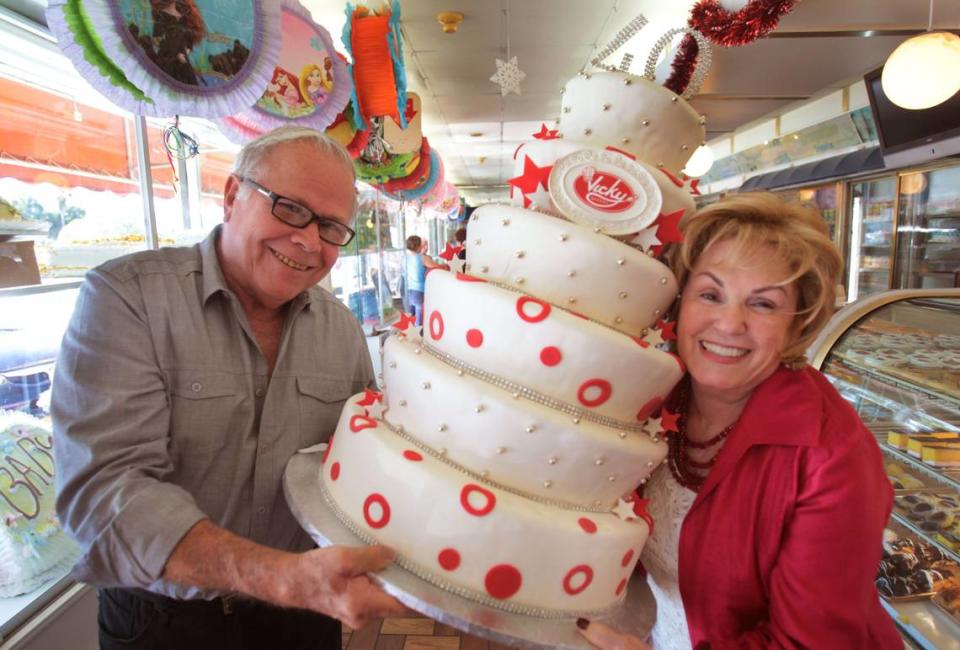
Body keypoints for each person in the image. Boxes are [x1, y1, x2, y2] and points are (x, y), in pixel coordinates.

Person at [52, 126, 406, 650]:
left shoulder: (342, 329)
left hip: (302, 615)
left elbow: (358, 460)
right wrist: (277, 575)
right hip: (163, 621)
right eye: (289, 208)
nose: (309, 241)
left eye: (332, 227)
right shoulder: (128, 299)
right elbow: (103, 493)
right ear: (233, 196)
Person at [578, 193, 900, 649]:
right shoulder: (652, 393)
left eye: (763, 304)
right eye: (710, 295)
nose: (729, 324)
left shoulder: (832, 456)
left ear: (797, 323)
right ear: (678, 304)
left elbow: (810, 643)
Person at [403, 235, 442, 326]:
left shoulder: (404, 258)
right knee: (418, 322)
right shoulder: (422, 258)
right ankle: (418, 339)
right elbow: (438, 267)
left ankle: (410, 339)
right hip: (419, 291)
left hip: (406, 291)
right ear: (419, 245)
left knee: (409, 320)